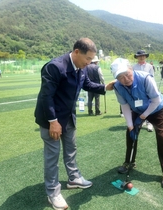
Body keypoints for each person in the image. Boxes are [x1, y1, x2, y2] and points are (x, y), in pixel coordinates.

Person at [34, 38, 115, 210]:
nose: (89, 63)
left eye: (91, 60)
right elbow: (45, 97)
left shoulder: (81, 68)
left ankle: (74, 178)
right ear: (76, 52)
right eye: (88, 59)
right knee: (52, 157)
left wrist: (104, 87)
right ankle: (53, 192)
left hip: (69, 117)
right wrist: (52, 122)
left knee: (71, 150)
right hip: (52, 119)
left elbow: (86, 84)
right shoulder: (55, 67)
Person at [110, 58, 163, 188]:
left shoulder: (145, 78)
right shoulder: (117, 87)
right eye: (120, 77)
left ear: (132, 69)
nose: (125, 79)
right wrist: (131, 125)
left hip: (156, 109)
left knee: (161, 136)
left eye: (127, 74)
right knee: (130, 133)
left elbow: (155, 100)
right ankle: (129, 162)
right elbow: (125, 106)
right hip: (136, 109)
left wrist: (143, 117)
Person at [133, 50, 154, 132]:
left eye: (143, 56)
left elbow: (152, 77)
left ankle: (150, 123)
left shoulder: (149, 66)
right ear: (137, 57)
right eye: (140, 56)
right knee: (139, 106)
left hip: (148, 89)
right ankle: (142, 121)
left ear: (145, 57)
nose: (141, 57)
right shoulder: (134, 67)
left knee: (149, 105)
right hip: (138, 90)